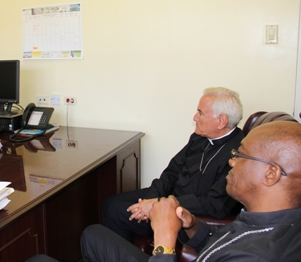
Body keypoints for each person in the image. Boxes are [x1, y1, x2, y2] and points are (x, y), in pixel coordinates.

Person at [80, 121, 301, 261]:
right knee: (93, 234)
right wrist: (193, 225)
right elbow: (223, 241)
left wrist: (165, 238)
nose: (232, 163)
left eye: (240, 156)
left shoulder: (259, 255)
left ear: (271, 174)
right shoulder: (265, 221)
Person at [103, 87, 244, 242]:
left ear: (221, 120)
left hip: (186, 216)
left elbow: (215, 204)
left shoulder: (238, 153)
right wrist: (150, 201)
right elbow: (171, 172)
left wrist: (158, 205)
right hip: (167, 199)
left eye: (201, 113)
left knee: (114, 211)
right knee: (111, 202)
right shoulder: (199, 138)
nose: (195, 117)